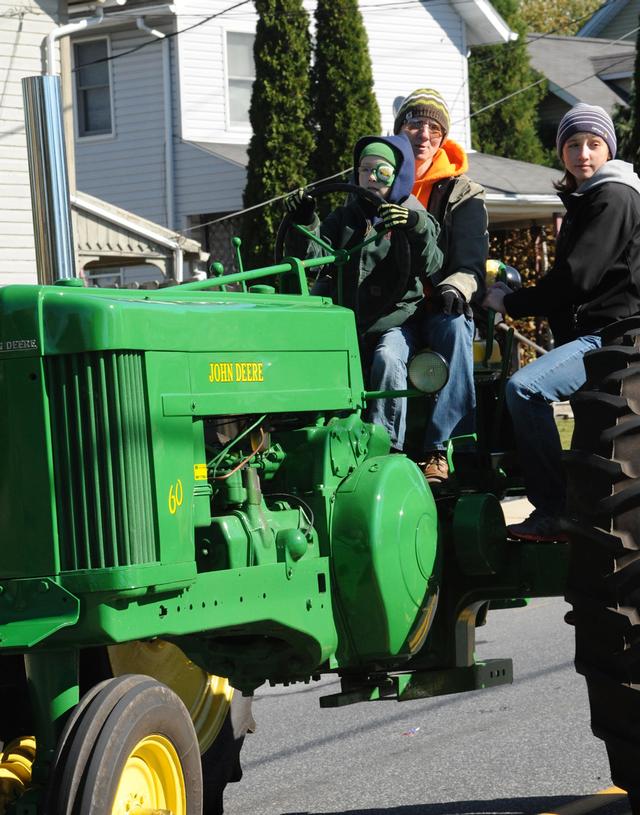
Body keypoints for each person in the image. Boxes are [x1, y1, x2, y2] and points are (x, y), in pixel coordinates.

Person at [483, 103, 640, 540]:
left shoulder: (615, 196)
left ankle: (555, 508)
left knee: (525, 389)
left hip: (614, 337)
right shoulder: (587, 200)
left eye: (593, 144)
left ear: (609, 149)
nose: (583, 154)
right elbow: (566, 281)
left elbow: (577, 277)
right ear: (561, 152)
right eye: (573, 144)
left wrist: (512, 302)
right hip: (596, 334)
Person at [372, 87, 489, 481]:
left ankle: (443, 448)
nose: (423, 135)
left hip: (442, 306)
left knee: (455, 329)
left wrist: (455, 288)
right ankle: (383, 450)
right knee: (387, 355)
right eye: (414, 123)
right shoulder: (376, 183)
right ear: (398, 130)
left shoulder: (463, 192)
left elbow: (471, 261)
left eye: (433, 128)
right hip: (393, 309)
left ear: (443, 138)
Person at [284, 133, 443, 390]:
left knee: (388, 359)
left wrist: (414, 225)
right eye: (365, 169)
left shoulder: (416, 218)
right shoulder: (345, 218)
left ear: (398, 176)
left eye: (381, 171)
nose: (371, 177)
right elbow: (310, 260)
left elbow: (431, 264)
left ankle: (386, 431)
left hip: (396, 323)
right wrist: (304, 221)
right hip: (346, 322)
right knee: (308, 355)